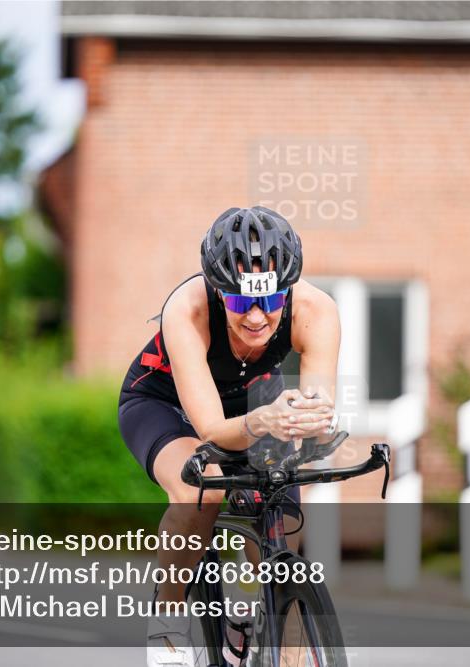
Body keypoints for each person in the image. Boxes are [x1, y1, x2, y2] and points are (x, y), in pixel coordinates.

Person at [117, 206, 342, 667]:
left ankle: (258, 613)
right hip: (166, 402)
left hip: (253, 399)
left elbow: (317, 405)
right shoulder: (188, 309)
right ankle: (168, 618)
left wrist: (312, 421)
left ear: (289, 289)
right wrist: (263, 423)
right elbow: (213, 431)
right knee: (200, 489)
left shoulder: (317, 311)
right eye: (240, 302)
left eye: (271, 300)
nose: (257, 317)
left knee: (282, 508)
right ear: (219, 293)